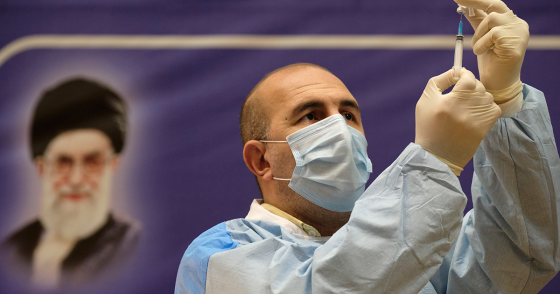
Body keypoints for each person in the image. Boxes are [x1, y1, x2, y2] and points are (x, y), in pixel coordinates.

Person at [175, 0, 559, 292]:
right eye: (311, 115)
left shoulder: (427, 250)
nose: (339, 128)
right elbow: (340, 281)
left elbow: (524, 254)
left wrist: (506, 98)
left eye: (348, 115)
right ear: (261, 160)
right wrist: (434, 160)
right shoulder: (218, 256)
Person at [1, 78, 140, 289]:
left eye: (92, 162)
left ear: (112, 165)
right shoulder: (11, 251)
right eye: (63, 162)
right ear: (41, 168)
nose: (76, 180)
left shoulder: (131, 246)